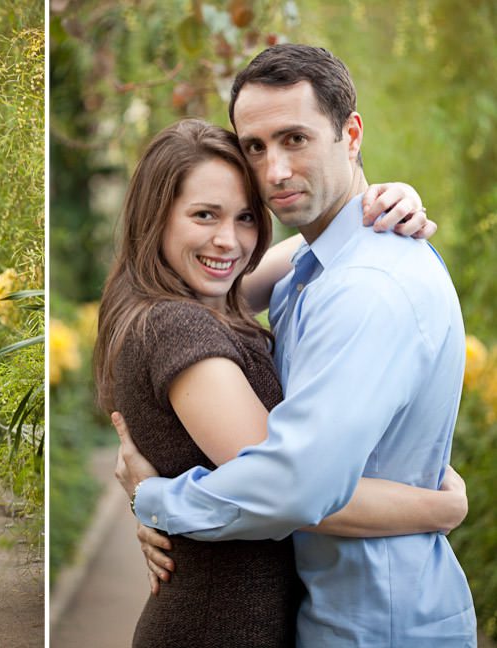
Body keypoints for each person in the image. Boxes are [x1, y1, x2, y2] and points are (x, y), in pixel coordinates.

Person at [114, 45, 476, 646]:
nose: (274, 170)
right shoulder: (312, 268)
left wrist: (154, 499)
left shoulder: (365, 288)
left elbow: (294, 486)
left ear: (350, 134)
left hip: (376, 621)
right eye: (255, 147)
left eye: (295, 139)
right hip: (330, 611)